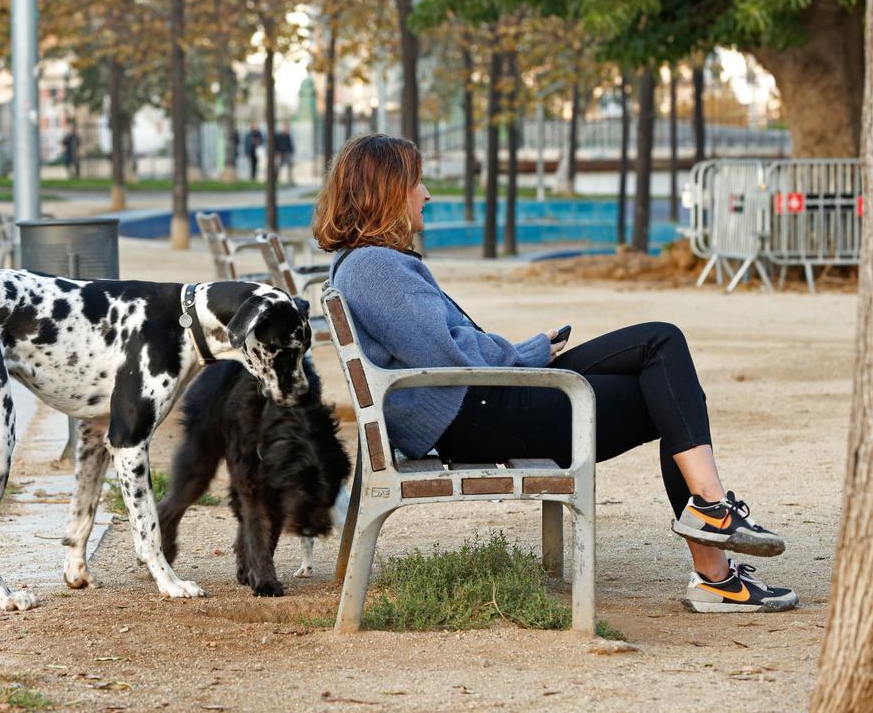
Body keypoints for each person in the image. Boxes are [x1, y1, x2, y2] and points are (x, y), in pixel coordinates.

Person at [312, 134, 797, 613]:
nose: (427, 194)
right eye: (417, 182)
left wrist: (530, 352)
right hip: (477, 413)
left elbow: (450, 351)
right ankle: (715, 554)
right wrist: (528, 352)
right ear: (386, 191)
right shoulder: (374, 267)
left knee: (660, 344)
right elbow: (453, 357)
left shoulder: (368, 264)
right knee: (664, 389)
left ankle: (713, 528)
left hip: (480, 403)